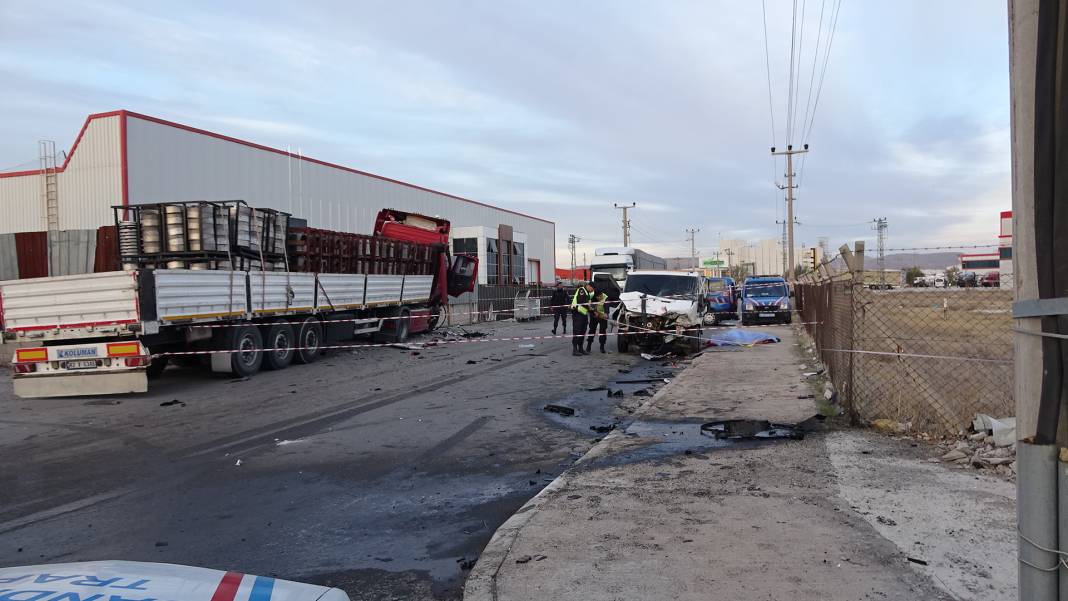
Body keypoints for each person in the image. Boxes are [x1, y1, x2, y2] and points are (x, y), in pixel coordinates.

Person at [570, 282, 594, 356]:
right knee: (577, 331)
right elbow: (582, 302)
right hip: (577, 314)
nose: (592, 290)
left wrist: (593, 311)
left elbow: (587, 306)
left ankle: (581, 348)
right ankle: (575, 349)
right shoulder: (582, 290)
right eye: (592, 288)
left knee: (583, 332)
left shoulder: (587, 293)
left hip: (583, 314)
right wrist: (589, 305)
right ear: (589, 286)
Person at [586, 287, 610, 353]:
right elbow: (589, 307)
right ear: (596, 297)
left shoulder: (605, 297)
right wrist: (594, 312)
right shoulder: (591, 297)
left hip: (602, 317)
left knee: (603, 331)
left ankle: (602, 346)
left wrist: (606, 313)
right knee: (592, 330)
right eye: (599, 297)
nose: (601, 297)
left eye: (601, 295)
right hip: (594, 316)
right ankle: (589, 345)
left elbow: (607, 306)